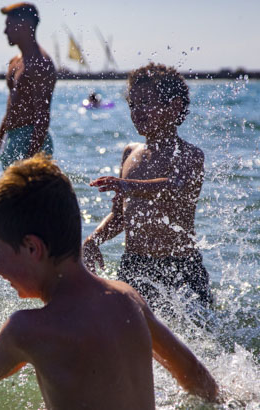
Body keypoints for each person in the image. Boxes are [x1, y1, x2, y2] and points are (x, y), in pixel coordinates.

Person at [0, 154, 219, 408]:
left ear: (33, 248)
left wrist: (16, 347)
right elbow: (196, 377)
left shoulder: (25, 329)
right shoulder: (127, 298)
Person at [83, 63, 213, 309]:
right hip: (134, 265)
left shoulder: (189, 155)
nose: (137, 111)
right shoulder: (131, 153)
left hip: (180, 267)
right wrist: (94, 239)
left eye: (145, 103)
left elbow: (175, 186)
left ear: (174, 107)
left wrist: (126, 184)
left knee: (192, 338)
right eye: (133, 104)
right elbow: (121, 215)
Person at [0, 3, 56, 178]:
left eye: (9, 25)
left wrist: (32, 162)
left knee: (29, 200)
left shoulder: (40, 63)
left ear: (24, 25)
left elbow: (42, 117)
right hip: (13, 138)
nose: (5, 31)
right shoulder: (15, 61)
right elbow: (10, 110)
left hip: (31, 139)